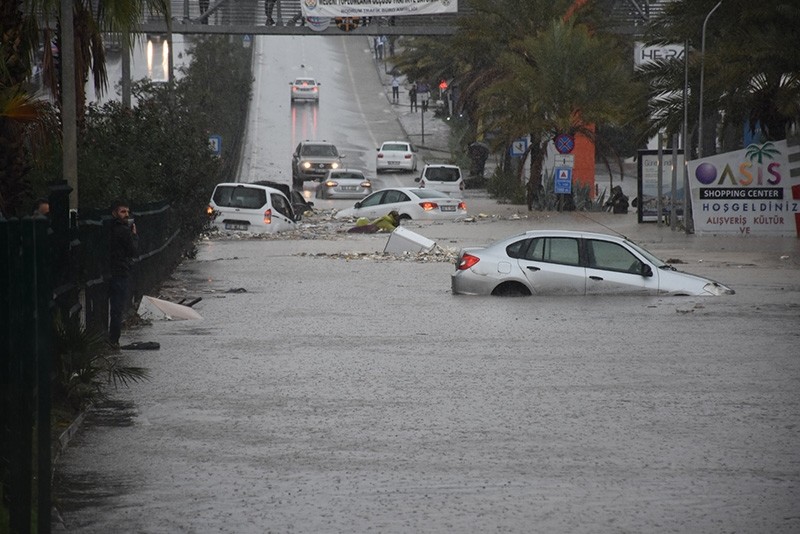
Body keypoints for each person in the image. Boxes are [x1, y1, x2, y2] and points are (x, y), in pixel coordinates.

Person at [108, 200, 138, 350]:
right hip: (119, 272)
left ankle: (109, 338)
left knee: (114, 308)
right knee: (117, 308)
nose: (126, 215)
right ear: (115, 213)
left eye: (127, 212)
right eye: (122, 212)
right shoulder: (123, 231)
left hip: (110, 271)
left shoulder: (109, 228)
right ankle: (113, 340)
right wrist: (134, 235)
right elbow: (133, 250)